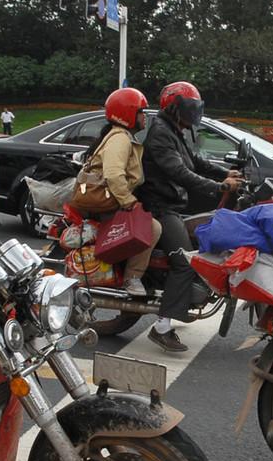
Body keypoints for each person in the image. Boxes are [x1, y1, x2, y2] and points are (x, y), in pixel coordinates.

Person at [136, 81, 240, 352]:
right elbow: (179, 172)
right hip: (158, 206)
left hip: (171, 204)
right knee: (184, 262)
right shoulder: (161, 133)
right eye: (189, 107)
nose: (194, 113)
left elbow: (195, 162)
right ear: (174, 108)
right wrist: (219, 187)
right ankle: (161, 328)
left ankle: (182, 302)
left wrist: (226, 173)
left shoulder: (175, 130)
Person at [73, 88, 162, 297]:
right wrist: (128, 201)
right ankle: (133, 278)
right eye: (141, 112)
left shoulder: (119, 135)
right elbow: (113, 175)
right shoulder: (120, 138)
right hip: (105, 201)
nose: (145, 117)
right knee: (152, 228)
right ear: (128, 114)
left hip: (110, 199)